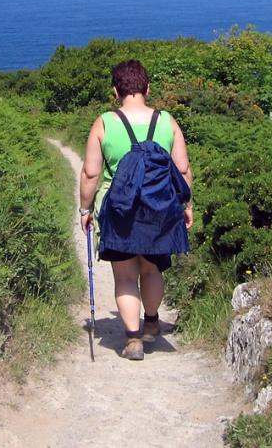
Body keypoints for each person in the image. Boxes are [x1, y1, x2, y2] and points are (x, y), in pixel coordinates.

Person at [79, 59, 193, 360]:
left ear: (115, 91)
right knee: (152, 268)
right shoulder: (167, 121)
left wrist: (84, 209)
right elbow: (182, 168)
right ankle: (152, 322)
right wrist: (188, 205)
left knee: (126, 276)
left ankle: (132, 340)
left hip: (119, 209)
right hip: (160, 207)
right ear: (147, 88)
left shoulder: (105, 122)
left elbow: (91, 173)